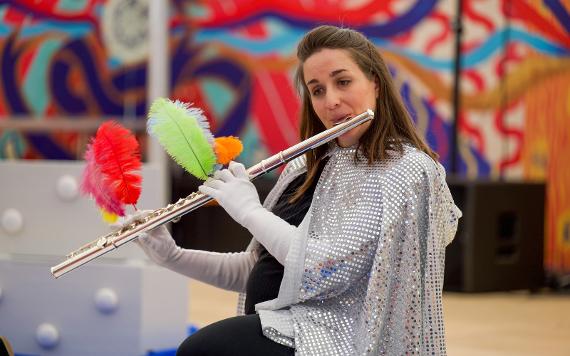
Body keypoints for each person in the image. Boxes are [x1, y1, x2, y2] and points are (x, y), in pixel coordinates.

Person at [126, 25, 461, 355]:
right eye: (317, 90)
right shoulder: (304, 166)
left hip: (335, 338)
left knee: (202, 349)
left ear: (375, 82)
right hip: (282, 322)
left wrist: (249, 211)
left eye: (343, 82)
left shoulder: (405, 169)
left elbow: (328, 269)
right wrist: (171, 255)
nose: (330, 101)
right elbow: (255, 269)